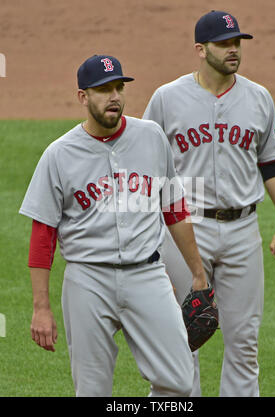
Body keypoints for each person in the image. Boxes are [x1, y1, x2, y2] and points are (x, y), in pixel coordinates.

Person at [19, 54, 209, 397]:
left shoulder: (151, 137)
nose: (115, 96)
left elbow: (175, 209)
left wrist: (197, 272)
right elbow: (42, 236)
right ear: (83, 97)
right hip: (87, 280)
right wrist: (41, 308)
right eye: (104, 89)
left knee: (181, 382)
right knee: (92, 390)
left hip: (147, 275)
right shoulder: (59, 155)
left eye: (119, 87)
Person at [143, 10, 275, 397]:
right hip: (184, 229)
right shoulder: (167, 98)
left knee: (244, 342)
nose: (233, 50)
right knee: (182, 338)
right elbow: (145, 165)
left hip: (243, 229)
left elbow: (273, 162)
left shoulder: (258, 97)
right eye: (224, 43)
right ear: (200, 49)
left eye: (237, 43)